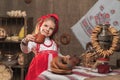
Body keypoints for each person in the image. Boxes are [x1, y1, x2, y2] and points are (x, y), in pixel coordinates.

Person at [20, 14, 69, 80]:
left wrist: (64, 57)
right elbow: (25, 50)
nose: (47, 29)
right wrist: (25, 41)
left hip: (52, 72)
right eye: (45, 25)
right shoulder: (34, 40)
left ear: (53, 31)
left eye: (51, 28)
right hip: (38, 72)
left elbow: (57, 55)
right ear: (40, 25)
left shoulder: (54, 43)